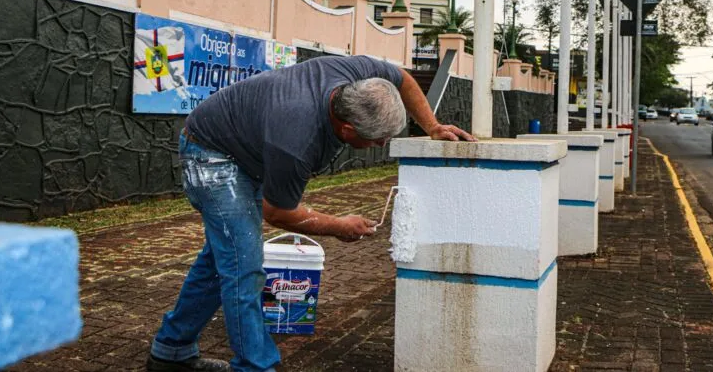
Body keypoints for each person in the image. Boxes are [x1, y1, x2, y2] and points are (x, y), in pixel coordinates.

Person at [146, 55, 474, 372]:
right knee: (243, 268)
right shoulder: (296, 140)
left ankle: (171, 351)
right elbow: (278, 212)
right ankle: (256, 366)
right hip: (210, 153)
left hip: (247, 149)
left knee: (226, 256)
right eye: (376, 140)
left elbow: (402, 78)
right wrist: (337, 225)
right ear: (347, 130)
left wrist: (431, 126)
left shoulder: (358, 72)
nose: (380, 145)